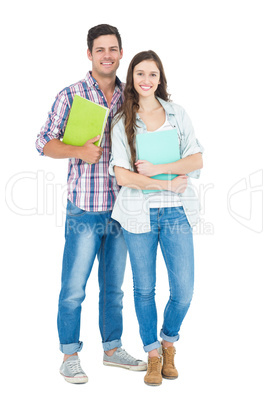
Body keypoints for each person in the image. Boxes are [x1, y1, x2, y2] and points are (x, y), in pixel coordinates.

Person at [35, 24, 147, 384]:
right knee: (74, 288)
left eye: (113, 49)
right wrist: (78, 152)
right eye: (100, 50)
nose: (107, 55)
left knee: (113, 287)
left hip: (121, 208)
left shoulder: (131, 96)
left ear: (120, 53)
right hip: (83, 207)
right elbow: (43, 143)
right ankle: (70, 355)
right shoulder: (71, 95)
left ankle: (112, 349)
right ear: (89, 54)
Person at [109, 50, 204, 386]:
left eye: (152, 74)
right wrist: (164, 181)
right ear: (132, 79)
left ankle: (168, 343)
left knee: (184, 289)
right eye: (139, 74)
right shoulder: (122, 120)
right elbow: (122, 176)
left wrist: (161, 169)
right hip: (138, 214)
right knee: (144, 288)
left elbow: (195, 161)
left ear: (160, 79)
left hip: (177, 211)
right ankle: (152, 354)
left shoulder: (178, 114)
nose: (146, 80)